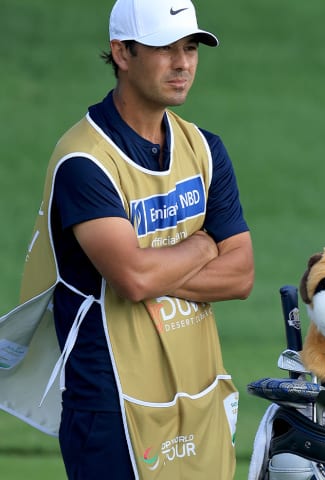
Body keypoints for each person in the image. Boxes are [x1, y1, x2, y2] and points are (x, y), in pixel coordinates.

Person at [0, 0, 254, 478]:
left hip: (199, 393)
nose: (183, 63)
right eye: (164, 48)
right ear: (121, 52)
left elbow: (241, 275)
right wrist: (203, 245)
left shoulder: (205, 148)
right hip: (110, 401)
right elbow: (133, 279)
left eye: (191, 47)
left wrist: (156, 266)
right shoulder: (84, 160)